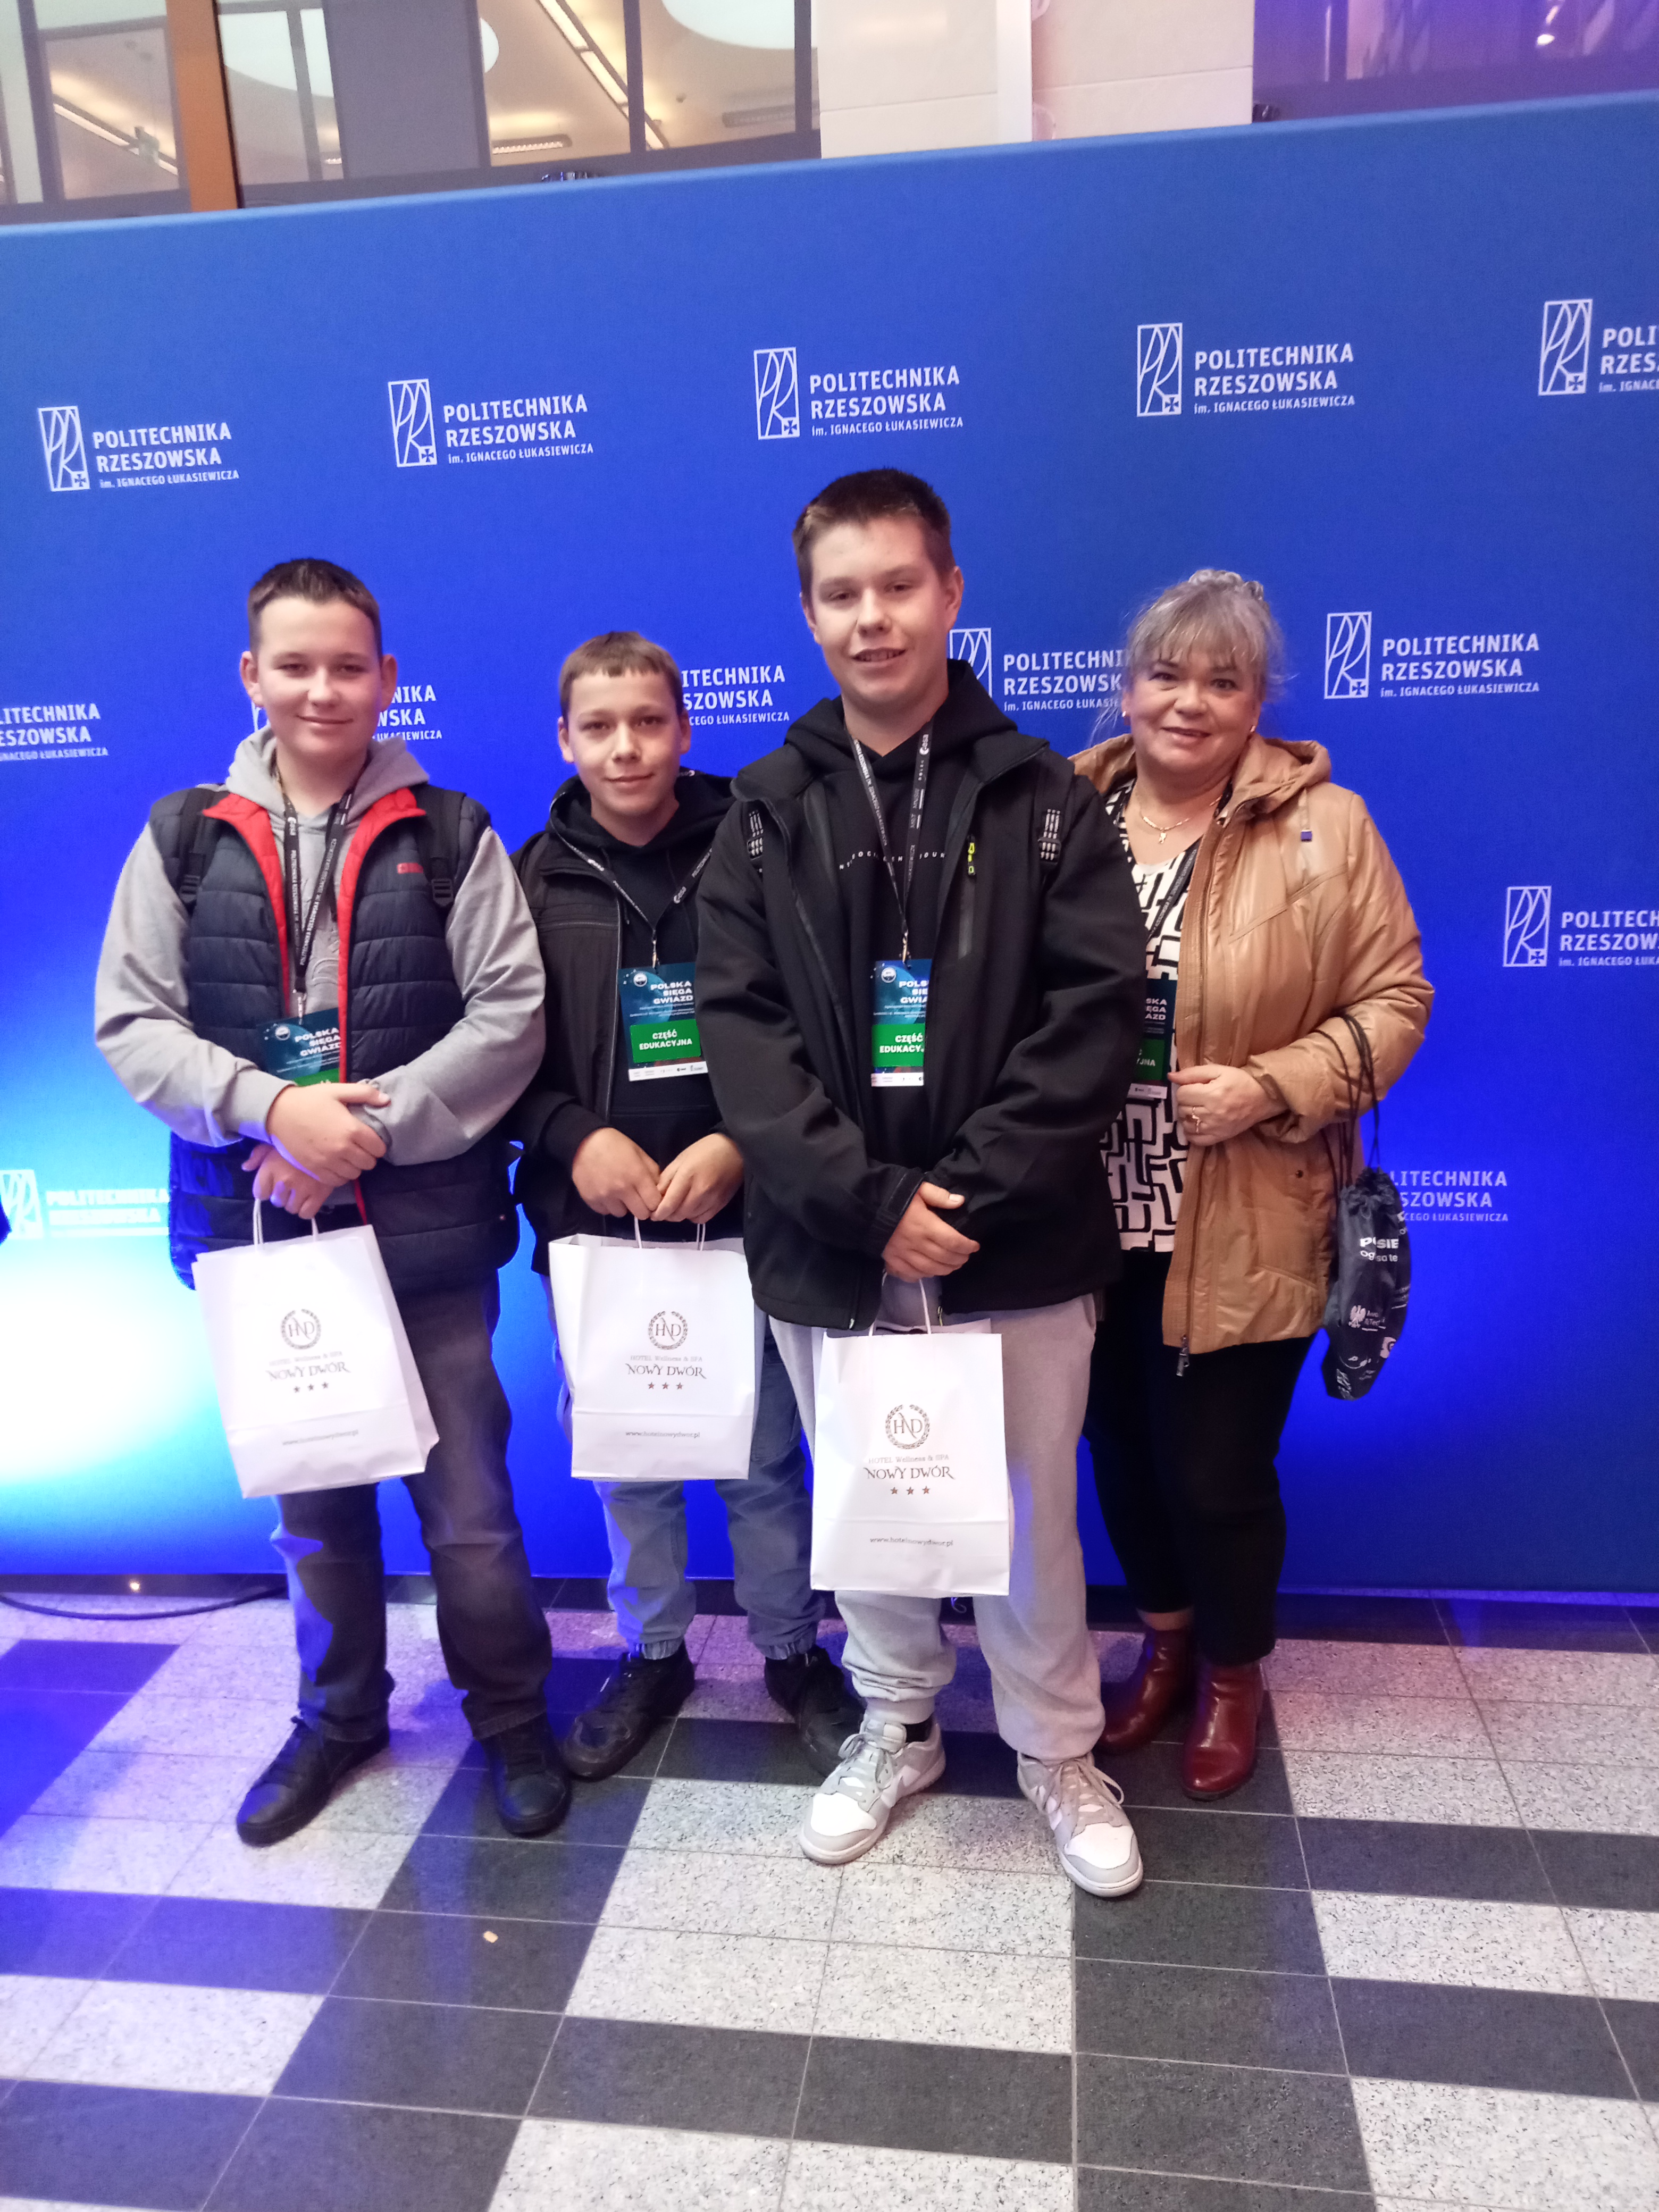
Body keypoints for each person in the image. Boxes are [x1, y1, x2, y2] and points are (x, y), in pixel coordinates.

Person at [696, 470, 1149, 1896]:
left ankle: (1056, 1749)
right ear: (809, 614)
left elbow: (1095, 1016)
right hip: (831, 1246)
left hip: (1013, 1243)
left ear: (952, 593)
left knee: (1026, 1518)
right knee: (873, 1504)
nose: (872, 618)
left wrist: (963, 1196)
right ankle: (895, 1725)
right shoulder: (762, 814)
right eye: (841, 594)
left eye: (899, 585)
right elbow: (740, 1033)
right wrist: (869, 1201)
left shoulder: (1048, 802)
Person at [95, 558, 568, 1844]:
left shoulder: (452, 833)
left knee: (471, 1512)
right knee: (315, 1513)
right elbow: (133, 1021)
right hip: (265, 1234)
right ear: (252, 675)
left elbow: (512, 1017)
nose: (322, 689)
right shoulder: (182, 838)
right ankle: (339, 1715)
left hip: (425, 1237)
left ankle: (511, 1714)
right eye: (294, 665)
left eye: (348, 666)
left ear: (387, 678)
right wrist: (269, 1108)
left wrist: (358, 1132)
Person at [1073, 570, 1432, 1797]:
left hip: (1242, 1206)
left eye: (1221, 681)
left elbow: (1398, 1001)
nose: (1189, 702)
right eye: (1166, 675)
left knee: (1216, 1474)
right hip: (1079, 1212)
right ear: (1128, 687)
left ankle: (1233, 1675)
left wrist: (1272, 1084)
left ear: (1258, 700)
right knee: (1119, 1451)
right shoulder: (1062, 812)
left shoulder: (1327, 826)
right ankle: (1166, 1644)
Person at [510, 632, 862, 1777]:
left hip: (743, 1217)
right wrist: (572, 1136)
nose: (626, 747)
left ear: (685, 729)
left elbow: (819, 1025)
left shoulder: (754, 849)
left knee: (762, 1461)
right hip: (596, 1227)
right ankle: (653, 1650)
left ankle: (790, 1650)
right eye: (599, 727)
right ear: (566, 740)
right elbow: (496, 1055)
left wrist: (745, 1144)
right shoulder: (528, 877)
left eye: (649, 722)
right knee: (632, 1463)